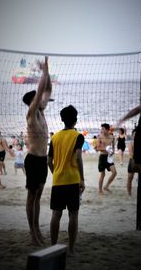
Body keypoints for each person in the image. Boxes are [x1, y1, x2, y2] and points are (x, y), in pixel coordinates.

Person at [22, 57, 52, 246]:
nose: (43, 100)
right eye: (38, 99)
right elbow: (42, 90)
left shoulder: (42, 111)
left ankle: (38, 230)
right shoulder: (32, 114)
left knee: (38, 197)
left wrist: (47, 70)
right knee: (31, 196)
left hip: (42, 160)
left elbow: (47, 90)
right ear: (33, 101)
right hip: (32, 159)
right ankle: (33, 233)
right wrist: (43, 73)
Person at [48, 105, 85, 255]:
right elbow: (78, 157)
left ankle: (53, 246)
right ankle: (71, 248)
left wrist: (55, 173)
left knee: (56, 214)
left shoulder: (54, 137)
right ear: (75, 120)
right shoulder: (78, 136)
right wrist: (82, 178)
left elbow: (49, 161)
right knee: (73, 214)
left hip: (58, 181)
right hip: (73, 180)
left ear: (62, 120)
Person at [96, 123, 117, 194]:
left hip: (109, 157)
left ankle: (106, 186)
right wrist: (106, 149)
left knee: (114, 172)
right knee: (103, 174)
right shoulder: (99, 137)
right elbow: (98, 148)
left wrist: (112, 152)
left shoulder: (112, 137)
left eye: (103, 129)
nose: (101, 130)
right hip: (102, 157)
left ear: (107, 130)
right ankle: (100, 190)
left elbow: (113, 148)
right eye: (101, 129)